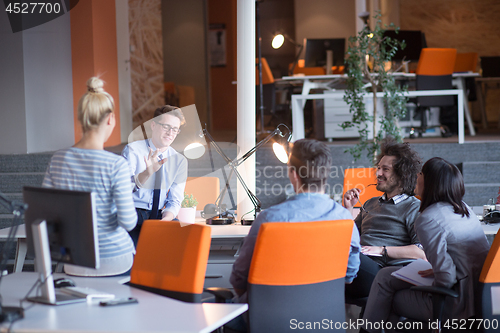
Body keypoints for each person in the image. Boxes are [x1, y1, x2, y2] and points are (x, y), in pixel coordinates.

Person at [360, 157, 490, 332]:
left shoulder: (428, 219)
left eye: (420, 173)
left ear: (430, 181)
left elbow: (446, 277)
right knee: (385, 276)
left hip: (456, 302)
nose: (416, 176)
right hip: (479, 294)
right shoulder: (463, 209)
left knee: (387, 297)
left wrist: (431, 276)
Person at [230, 139, 361, 302]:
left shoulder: (269, 219)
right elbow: (349, 275)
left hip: (268, 316)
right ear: (326, 173)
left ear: (293, 173)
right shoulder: (345, 220)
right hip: (323, 317)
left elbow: (239, 279)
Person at [42, 77, 137, 277]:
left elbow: (45, 213)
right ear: (111, 118)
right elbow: (128, 222)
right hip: (115, 260)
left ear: (81, 118)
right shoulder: (116, 164)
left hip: (74, 261)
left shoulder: (58, 159)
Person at [343, 138, 426, 298]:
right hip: (358, 263)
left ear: (402, 174)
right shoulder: (370, 203)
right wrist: (348, 208)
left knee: (346, 255)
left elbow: (420, 251)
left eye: (385, 169)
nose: (378, 173)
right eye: (379, 168)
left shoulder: (414, 207)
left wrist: (382, 250)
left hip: (382, 272)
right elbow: (349, 238)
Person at [122, 105, 188, 245]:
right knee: (134, 256)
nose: (170, 132)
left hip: (160, 215)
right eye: (166, 126)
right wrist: (147, 173)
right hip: (133, 213)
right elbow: (123, 190)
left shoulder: (179, 161)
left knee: (180, 244)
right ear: (153, 125)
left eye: (175, 129)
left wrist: (165, 220)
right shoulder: (133, 151)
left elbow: (174, 201)